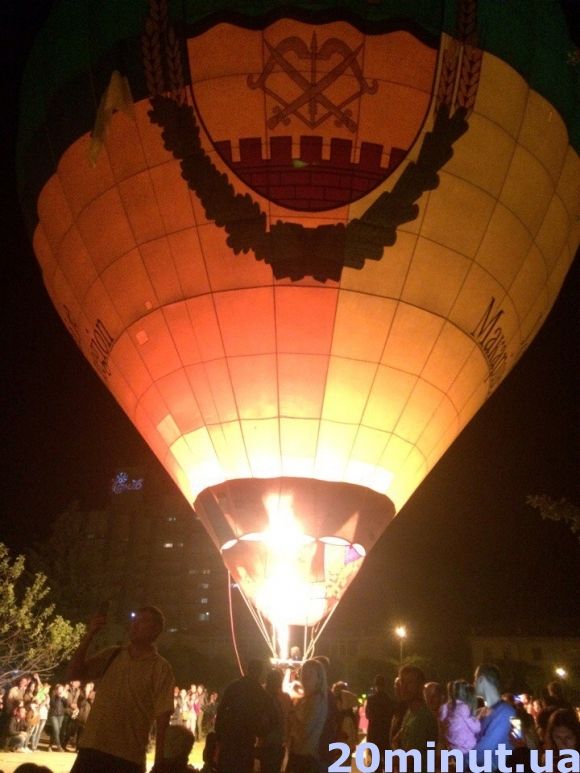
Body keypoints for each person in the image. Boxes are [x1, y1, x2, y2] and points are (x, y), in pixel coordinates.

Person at [67, 604, 175, 773]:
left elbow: (163, 720)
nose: (135, 625)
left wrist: (159, 763)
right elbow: (75, 674)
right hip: (92, 749)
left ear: (156, 630)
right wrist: (90, 636)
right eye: (134, 620)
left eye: (143, 621)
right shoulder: (113, 655)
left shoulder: (161, 669)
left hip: (127, 757)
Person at [215, 659, 274, 773]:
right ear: (260, 672)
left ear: (247, 669)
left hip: (229, 738)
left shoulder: (234, 686)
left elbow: (221, 709)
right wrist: (261, 732)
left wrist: (219, 734)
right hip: (246, 740)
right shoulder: (261, 693)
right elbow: (273, 717)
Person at [286, 659, 328, 773]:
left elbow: (303, 731)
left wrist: (290, 712)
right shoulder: (305, 699)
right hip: (299, 755)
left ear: (319, 679)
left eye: (310, 673)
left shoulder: (316, 700)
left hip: (305, 759)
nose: (305, 676)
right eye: (304, 672)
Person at [392, 665, 438, 766]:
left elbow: (408, 760)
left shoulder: (424, 716)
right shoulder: (409, 713)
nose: (404, 687)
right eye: (402, 682)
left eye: (410, 682)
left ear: (421, 685)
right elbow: (395, 740)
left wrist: (395, 756)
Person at [472, 664, 514, 770]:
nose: (473, 683)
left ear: (482, 680)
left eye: (475, 679)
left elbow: (482, 753)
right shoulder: (478, 713)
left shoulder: (506, 712)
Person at [439, 680, 480, 753]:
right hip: (467, 748)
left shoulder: (445, 707)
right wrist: (478, 717)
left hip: (452, 748)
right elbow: (476, 728)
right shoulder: (463, 707)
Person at [365, 675, 395, 773]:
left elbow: (368, 715)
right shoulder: (390, 700)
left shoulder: (371, 700)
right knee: (388, 763)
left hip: (374, 734)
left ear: (376, 685)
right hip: (386, 734)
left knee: (375, 765)